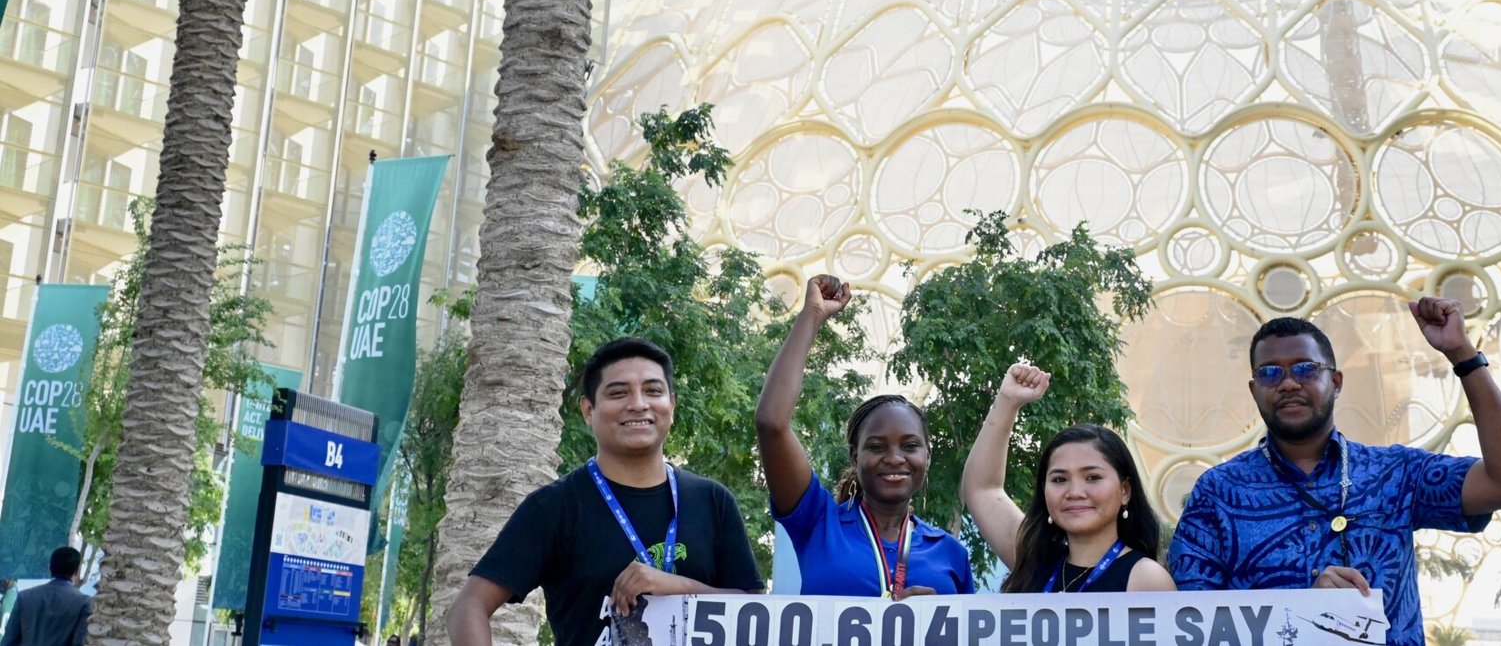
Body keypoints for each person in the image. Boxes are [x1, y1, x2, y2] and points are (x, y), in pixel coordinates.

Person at [1167, 299, 1501, 646]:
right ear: (1254, 390)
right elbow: (1193, 625)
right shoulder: (1217, 492)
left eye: (1305, 368)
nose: (1288, 383)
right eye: (1269, 373)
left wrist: (1463, 355)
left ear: (1335, 382)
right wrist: (1302, 614)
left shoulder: (1396, 474)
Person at [448, 338, 764, 646]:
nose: (639, 404)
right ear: (588, 410)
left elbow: (755, 609)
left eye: (653, 391)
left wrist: (676, 586)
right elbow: (469, 606)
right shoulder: (555, 506)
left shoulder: (712, 501)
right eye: (618, 393)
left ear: (672, 405)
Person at [755, 275, 973, 597]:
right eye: (876, 446)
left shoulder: (951, 553)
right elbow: (771, 423)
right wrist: (812, 315)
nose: (895, 457)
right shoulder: (819, 522)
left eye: (910, 446)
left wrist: (936, 621)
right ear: (856, 457)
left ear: (927, 455)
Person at [961, 363, 1177, 593]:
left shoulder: (1146, 579)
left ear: (1125, 491)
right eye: (1059, 479)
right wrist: (1007, 400)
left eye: (1093, 477)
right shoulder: (1034, 561)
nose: (1074, 492)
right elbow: (982, 489)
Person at [0, 547, 90, 646]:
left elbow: (9, 640)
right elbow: (79, 642)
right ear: (77, 571)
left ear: (49, 568)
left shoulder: (24, 597)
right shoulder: (84, 602)